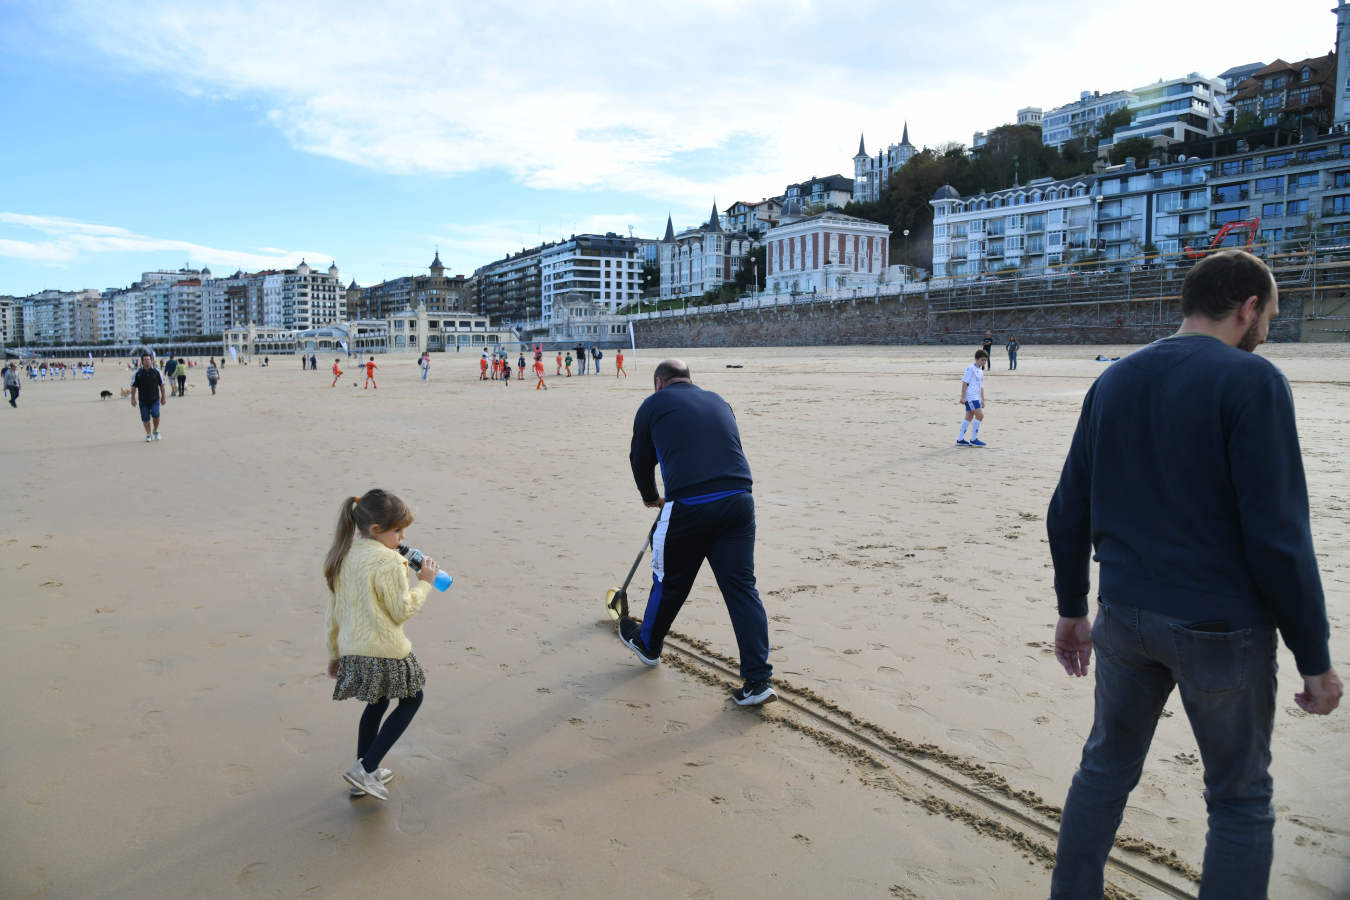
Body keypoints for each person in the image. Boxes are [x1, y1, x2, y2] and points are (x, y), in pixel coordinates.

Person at [1046, 250, 1341, 899]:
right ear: (1248, 308)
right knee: (1238, 801)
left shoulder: (1115, 382)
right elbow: (1280, 539)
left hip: (1124, 615)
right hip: (1221, 627)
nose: (1267, 330)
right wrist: (1313, 657)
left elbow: (1067, 509)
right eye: (1270, 315)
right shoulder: (1252, 383)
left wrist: (1074, 610)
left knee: (1104, 772)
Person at [619, 358, 774, 706]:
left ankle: (648, 645)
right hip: (739, 501)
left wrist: (650, 498)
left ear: (659, 383)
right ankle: (757, 681)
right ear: (690, 379)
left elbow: (639, 459)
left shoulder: (652, 405)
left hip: (690, 505)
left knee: (670, 581)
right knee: (741, 588)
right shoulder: (719, 400)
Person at [323, 490, 441, 801]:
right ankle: (367, 768)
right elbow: (401, 610)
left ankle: (366, 771)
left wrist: (335, 653)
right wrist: (426, 583)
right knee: (412, 699)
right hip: (386, 649)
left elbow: (333, 613)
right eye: (398, 530)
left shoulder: (343, 557)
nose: (402, 538)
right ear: (376, 530)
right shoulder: (390, 562)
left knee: (376, 702)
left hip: (353, 648)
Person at [131, 353, 167, 442]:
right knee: (145, 418)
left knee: (156, 415)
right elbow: (133, 387)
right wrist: (133, 398)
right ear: (142, 361)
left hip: (155, 399)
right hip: (143, 400)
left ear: (151, 360)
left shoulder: (157, 371)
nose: (147, 361)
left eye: (148, 359)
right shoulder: (137, 373)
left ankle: (155, 430)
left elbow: (162, 385)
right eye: (145, 359)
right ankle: (148, 434)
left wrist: (163, 397)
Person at [956, 349, 987, 447]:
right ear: (976, 359)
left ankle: (960, 439)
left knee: (969, 416)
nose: (983, 362)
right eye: (982, 360)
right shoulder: (970, 369)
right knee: (980, 415)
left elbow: (981, 386)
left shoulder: (981, 371)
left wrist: (982, 399)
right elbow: (965, 382)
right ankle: (974, 439)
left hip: (976, 397)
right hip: (970, 397)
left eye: (985, 360)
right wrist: (963, 397)